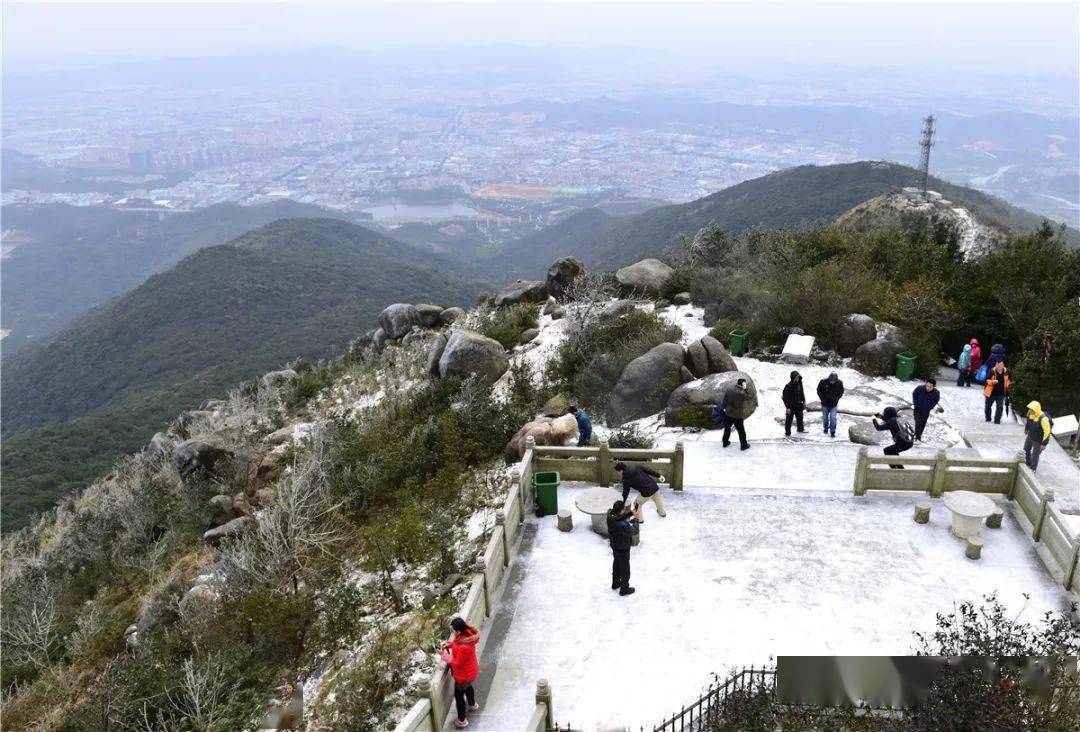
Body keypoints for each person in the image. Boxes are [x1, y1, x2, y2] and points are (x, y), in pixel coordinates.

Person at [441, 617, 481, 728]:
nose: (452, 632)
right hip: (470, 672)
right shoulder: (466, 635)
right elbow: (457, 643)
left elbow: (456, 662)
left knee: (459, 696)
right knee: (468, 687)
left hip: (464, 675)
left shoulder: (465, 646)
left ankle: (462, 720)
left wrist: (442, 655)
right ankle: (472, 704)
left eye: (452, 630)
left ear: (458, 631)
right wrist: (448, 645)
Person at [607, 500, 641, 596]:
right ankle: (624, 589)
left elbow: (619, 517)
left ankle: (615, 583)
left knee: (616, 565)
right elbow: (634, 530)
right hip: (623, 549)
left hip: (615, 546)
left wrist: (630, 513)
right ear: (621, 510)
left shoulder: (610, 515)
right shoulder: (623, 525)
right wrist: (636, 519)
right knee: (625, 570)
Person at [722, 378, 751, 450]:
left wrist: (726, 408)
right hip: (737, 415)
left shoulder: (729, 389)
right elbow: (749, 397)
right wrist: (745, 389)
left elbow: (724, 401)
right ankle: (744, 445)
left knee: (727, 428)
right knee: (741, 431)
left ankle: (725, 442)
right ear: (743, 384)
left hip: (728, 413)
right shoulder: (742, 393)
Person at [1023, 401, 1052, 473]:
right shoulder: (1030, 414)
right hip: (1030, 436)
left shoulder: (1043, 418)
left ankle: (1033, 469)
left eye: (1031, 409)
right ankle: (1028, 463)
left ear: (1036, 409)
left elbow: (1047, 432)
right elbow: (1028, 422)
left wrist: (1044, 444)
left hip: (1038, 440)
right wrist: (1026, 429)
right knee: (1026, 449)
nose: (1029, 410)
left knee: (1035, 455)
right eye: (1029, 409)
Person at [816, 372, 845, 438]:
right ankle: (826, 428)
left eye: (833, 381)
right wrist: (822, 399)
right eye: (831, 381)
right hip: (825, 404)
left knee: (833, 418)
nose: (832, 382)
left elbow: (841, 391)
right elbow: (818, 390)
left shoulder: (839, 383)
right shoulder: (823, 382)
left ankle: (832, 431)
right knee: (825, 418)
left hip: (834, 404)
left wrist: (837, 399)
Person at [782, 370, 807, 437]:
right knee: (789, 420)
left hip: (799, 404)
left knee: (800, 418)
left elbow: (802, 393)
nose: (797, 379)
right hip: (790, 406)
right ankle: (787, 433)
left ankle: (800, 429)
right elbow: (785, 398)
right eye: (796, 377)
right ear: (793, 378)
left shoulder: (800, 383)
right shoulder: (788, 386)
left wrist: (804, 402)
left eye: (798, 377)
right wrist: (787, 407)